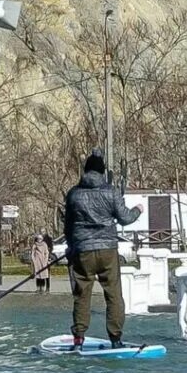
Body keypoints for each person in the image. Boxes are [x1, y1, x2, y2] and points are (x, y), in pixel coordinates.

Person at [64, 150, 143, 350]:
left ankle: (78, 339)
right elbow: (125, 218)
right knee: (114, 295)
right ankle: (115, 339)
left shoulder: (74, 194)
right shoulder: (111, 191)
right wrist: (138, 210)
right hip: (108, 249)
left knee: (82, 295)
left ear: (85, 170)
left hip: (82, 251)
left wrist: (71, 246)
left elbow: (68, 226)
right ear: (102, 171)